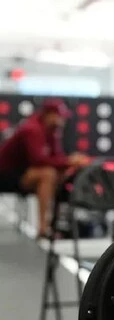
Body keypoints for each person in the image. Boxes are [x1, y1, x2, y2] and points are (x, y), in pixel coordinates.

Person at [0, 99, 88, 237]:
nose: (63, 121)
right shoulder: (31, 129)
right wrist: (69, 161)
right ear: (49, 115)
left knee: (61, 173)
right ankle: (43, 227)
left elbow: (57, 157)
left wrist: (69, 163)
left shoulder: (52, 131)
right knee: (48, 174)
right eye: (60, 116)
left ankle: (58, 222)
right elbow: (38, 161)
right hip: (6, 175)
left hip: (23, 172)